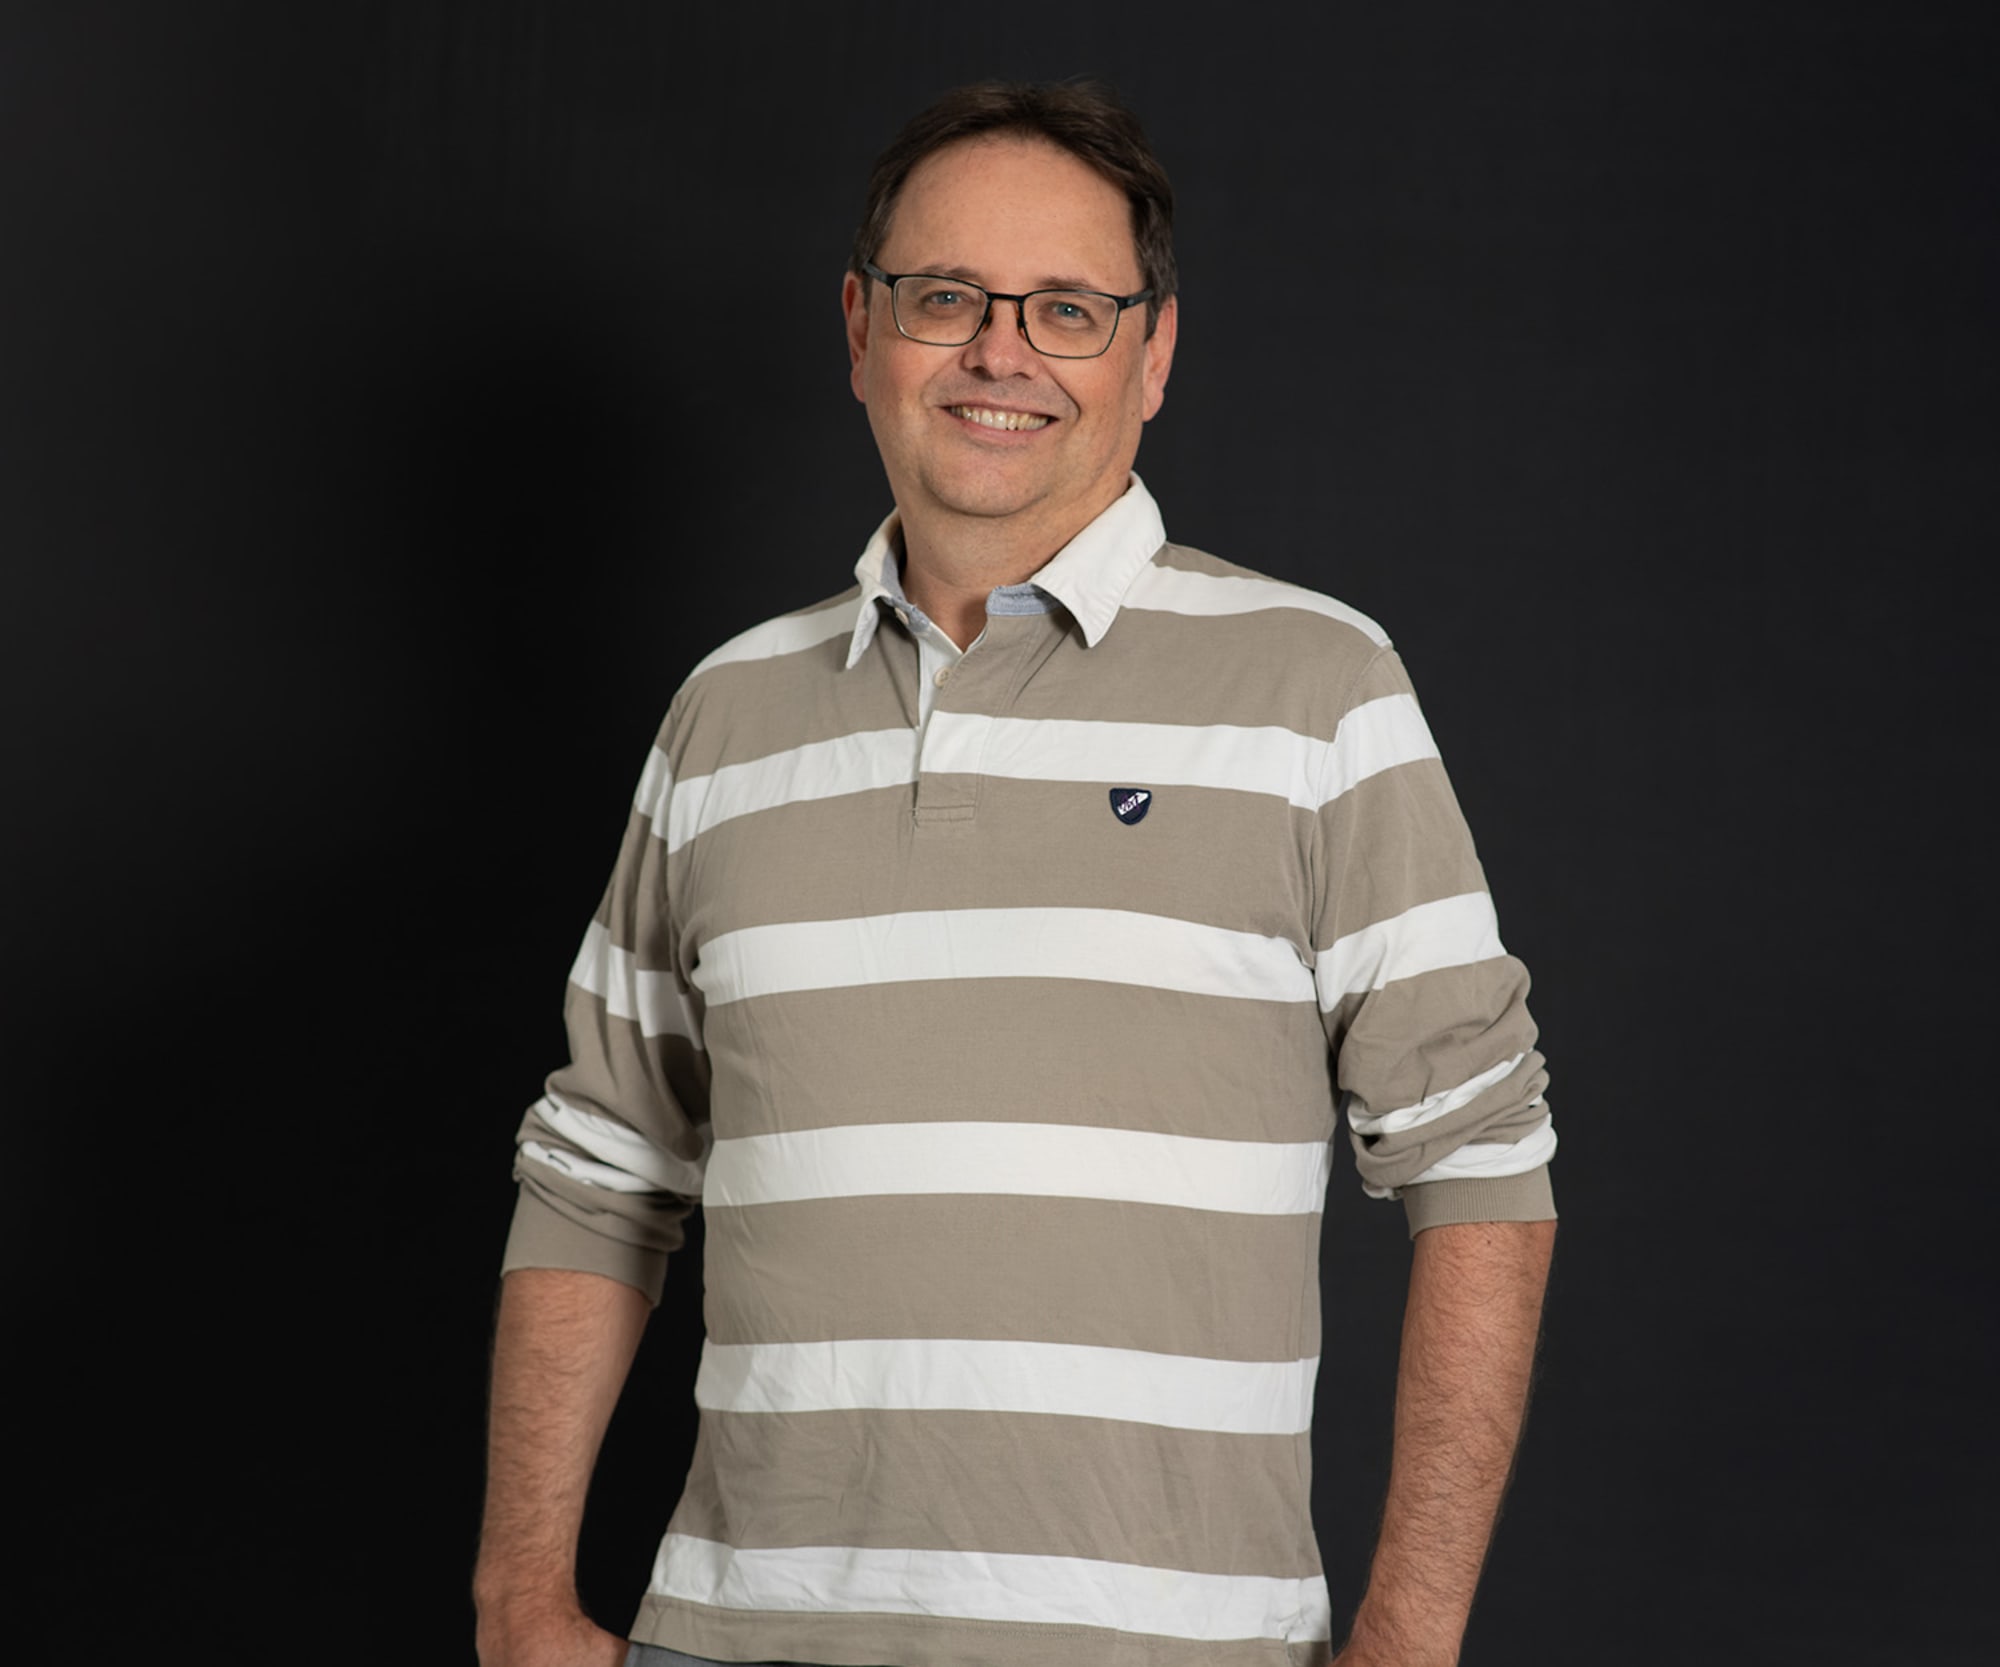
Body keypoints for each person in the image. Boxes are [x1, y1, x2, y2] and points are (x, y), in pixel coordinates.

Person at [474, 79, 1557, 1667]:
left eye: (1067, 309)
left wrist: (1408, 1645)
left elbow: (1484, 1167)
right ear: (862, 329)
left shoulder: (1318, 691)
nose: (1001, 353)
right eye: (945, 298)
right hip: (736, 1639)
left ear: (1152, 354)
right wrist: (517, 1603)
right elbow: (598, 1172)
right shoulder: (727, 715)